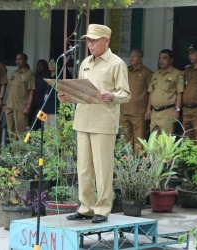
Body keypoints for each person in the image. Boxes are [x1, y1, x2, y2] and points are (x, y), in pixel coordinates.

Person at [58, 24, 130, 223]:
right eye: (88, 40)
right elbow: (83, 92)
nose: (90, 44)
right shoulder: (85, 63)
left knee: (102, 168)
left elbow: (125, 94)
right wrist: (69, 97)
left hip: (103, 123)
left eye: (94, 40)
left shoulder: (117, 63)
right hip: (83, 120)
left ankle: (102, 209)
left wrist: (112, 95)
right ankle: (86, 207)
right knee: (84, 168)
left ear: (106, 40)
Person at [120, 49, 152, 152]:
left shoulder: (147, 73)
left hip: (139, 112)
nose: (131, 58)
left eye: (135, 56)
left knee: (139, 139)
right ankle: (126, 161)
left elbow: (150, 92)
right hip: (125, 110)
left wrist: (148, 109)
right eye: (131, 56)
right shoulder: (126, 71)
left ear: (141, 58)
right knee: (125, 137)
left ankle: (138, 164)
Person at [147, 49, 183, 135]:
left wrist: (177, 110)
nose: (161, 60)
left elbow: (180, 93)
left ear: (171, 60)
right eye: (160, 58)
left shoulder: (177, 73)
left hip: (167, 112)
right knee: (153, 141)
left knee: (165, 141)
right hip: (154, 113)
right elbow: (151, 93)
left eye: (164, 58)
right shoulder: (156, 74)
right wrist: (148, 109)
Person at [5, 53, 35, 138]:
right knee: (10, 130)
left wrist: (28, 107)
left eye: (20, 59)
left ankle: (22, 150)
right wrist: (6, 104)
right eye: (16, 59)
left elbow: (32, 91)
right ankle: (13, 150)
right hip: (10, 105)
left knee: (21, 131)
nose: (18, 61)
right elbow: (11, 90)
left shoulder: (29, 74)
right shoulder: (14, 73)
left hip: (21, 107)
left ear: (25, 61)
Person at [40, 57, 72, 127]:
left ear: (59, 65)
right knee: (45, 132)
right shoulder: (46, 76)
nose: (51, 64)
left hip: (54, 109)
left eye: (53, 63)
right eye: (49, 63)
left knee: (54, 132)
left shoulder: (60, 77)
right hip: (44, 108)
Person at [30, 59, 49, 129]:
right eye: (38, 66)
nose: (39, 68)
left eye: (41, 66)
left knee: (39, 122)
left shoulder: (47, 77)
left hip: (43, 105)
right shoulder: (35, 76)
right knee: (32, 122)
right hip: (34, 104)